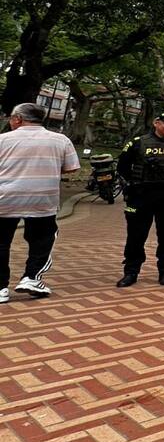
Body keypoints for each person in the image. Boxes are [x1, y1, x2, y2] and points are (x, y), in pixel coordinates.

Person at [0, 103, 80, 303]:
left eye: (11, 117)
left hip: (4, 199)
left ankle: (1, 288)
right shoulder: (60, 140)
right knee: (42, 239)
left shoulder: (2, 140)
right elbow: (71, 168)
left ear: (18, 118)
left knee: (1, 243)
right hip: (42, 200)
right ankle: (31, 278)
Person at [116, 111, 164, 287]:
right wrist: (136, 183)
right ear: (156, 123)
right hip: (141, 196)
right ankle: (131, 272)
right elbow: (123, 167)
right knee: (136, 236)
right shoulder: (137, 143)